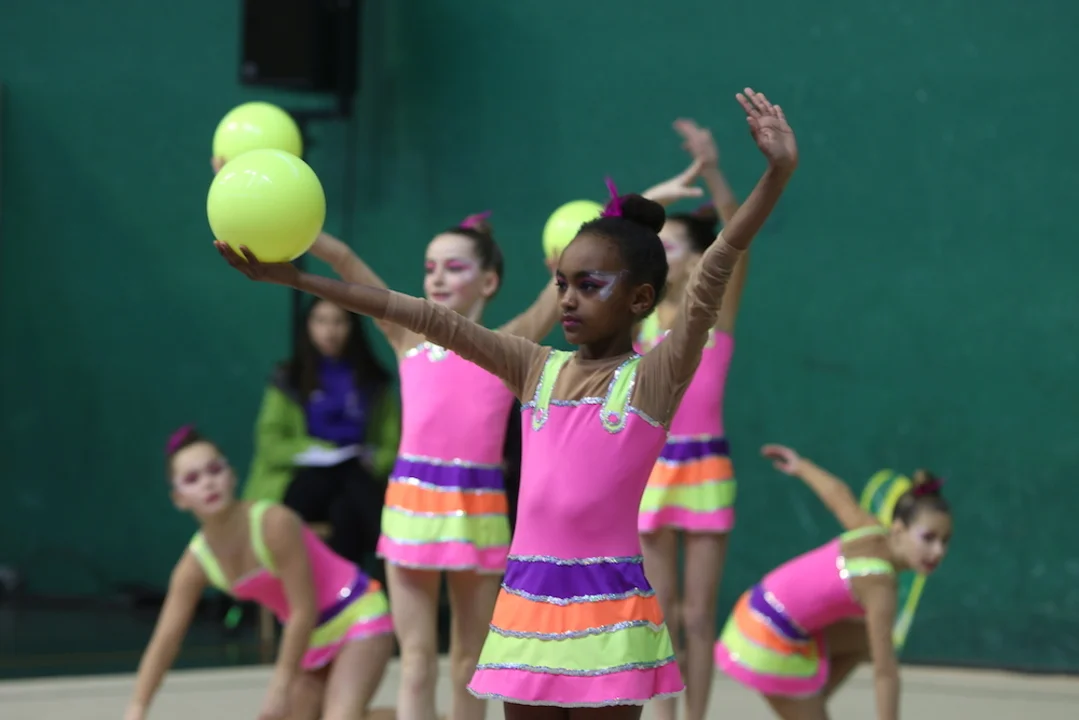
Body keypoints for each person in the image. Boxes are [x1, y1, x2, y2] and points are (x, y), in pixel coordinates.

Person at [215, 87, 797, 719]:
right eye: (562, 284)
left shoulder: (654, 378)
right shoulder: (533, 366)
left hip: (610, 608)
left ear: (640, 299)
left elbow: (718, 264)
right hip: (527, 604)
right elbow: (416, 314)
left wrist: (776, 173)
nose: (568, 298)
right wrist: (298, 280)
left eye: (590, 285)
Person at [305, 214, 560, 720]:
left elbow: (557, 292)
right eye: (430, 267)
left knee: (469, 661)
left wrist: (620, 218)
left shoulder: (507, 348)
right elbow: (346, 262)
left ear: (489, 281)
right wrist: (293, 230)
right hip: (411, 512)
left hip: (478, 514)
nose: (438, 277)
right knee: (417, 662)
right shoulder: (407, 338)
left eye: (454, 267)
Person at [126, 426, 395, 720]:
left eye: (214, 470)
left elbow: (303, 610)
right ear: (179, 499)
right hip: (311, 639)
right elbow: (165, 640)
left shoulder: (274, 523)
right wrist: (137, 708)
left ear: (232, 476)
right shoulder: (195, 563)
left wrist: (280, 686)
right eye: (193, 479)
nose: (208, 483)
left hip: (356, 613)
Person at [634, 119, 746, 720]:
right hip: (653, 468)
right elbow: (616, 236)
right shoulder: (640, 317)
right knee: (661, 613)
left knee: (698, 616)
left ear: (701, 258)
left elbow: (738, 229)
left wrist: (714, 169)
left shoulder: (715, 312)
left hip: (705, 468)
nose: (660, 254)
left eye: (672, 245)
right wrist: (657, 199)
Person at [714, 444, 953, 720]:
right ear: (898, 530)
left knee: (864, 638)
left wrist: (801, 466)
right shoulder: (880, 585)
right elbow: (885, 672)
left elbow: (837, 494)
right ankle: (805, 706)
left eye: (945, 540)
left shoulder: (870, 528)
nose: (938, 551)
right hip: (767, 638)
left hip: (756, 607)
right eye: (928, 538)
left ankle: (808, 703)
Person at [245, 297, 399, 567]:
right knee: (346, 482)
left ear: (353, 327)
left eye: (339, 322)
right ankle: (392, 557)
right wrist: (320, 452)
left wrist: (372, 459)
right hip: (302, 479)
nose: (330, 331)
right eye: (321, 321)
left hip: (356, 475)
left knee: (346, 510)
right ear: (308, 326)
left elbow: (393, 446)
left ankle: (349, 585)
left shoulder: (374, 382)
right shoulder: (288, 379)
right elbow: (270, 444)